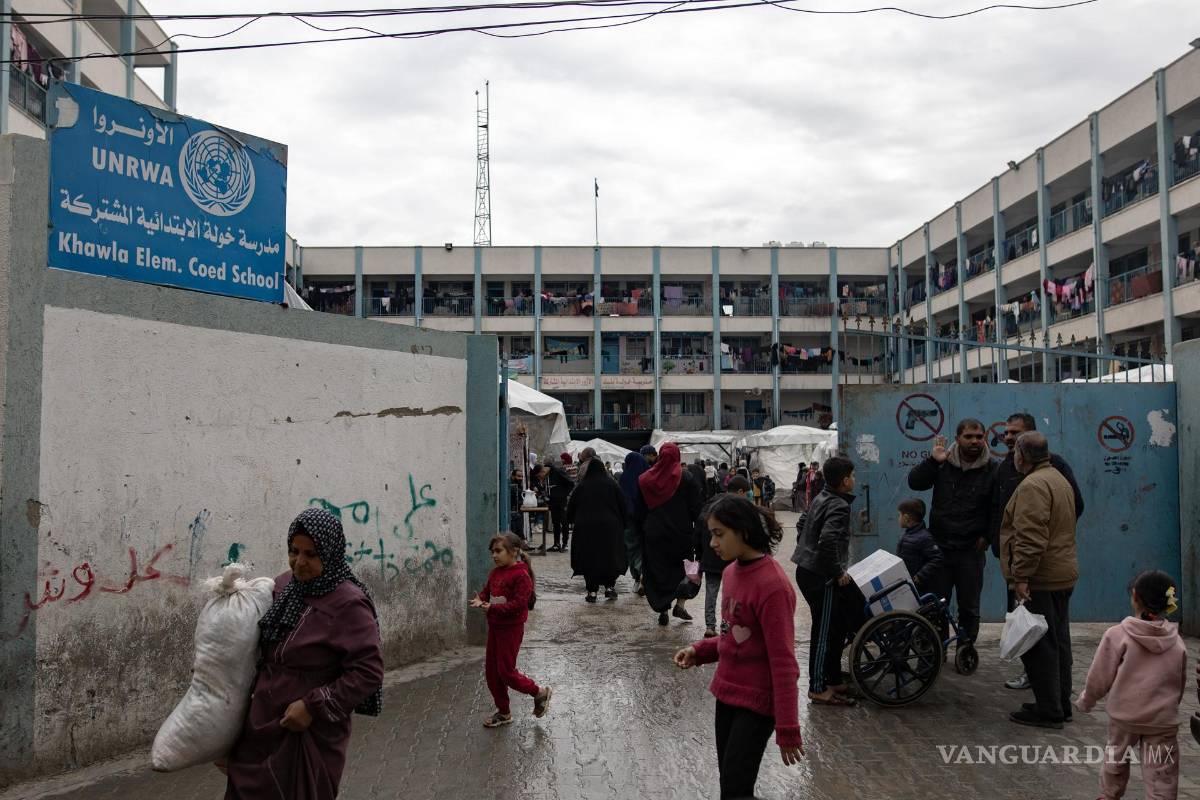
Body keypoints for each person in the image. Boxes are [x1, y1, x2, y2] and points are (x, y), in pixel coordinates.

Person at [223, 508, 384, 799]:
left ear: (331, 553)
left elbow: (368, 672)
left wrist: (313, 707)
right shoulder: (284, 585)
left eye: (311, 554)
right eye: (294, 551)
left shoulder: (349, 604)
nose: (299, 562)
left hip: (307, 733)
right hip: (260, 723)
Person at [674, 495, 803, 799]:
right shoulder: (731, 572)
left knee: (735, 789)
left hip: (757, 704)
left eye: (719, 534)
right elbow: (733, 635)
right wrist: (701, 651)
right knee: (731, 784)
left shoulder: (773, 586)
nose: (713, 543)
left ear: (742, 531)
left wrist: (788, 727)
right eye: (711, 535)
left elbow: (784, 663)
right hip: (726, 695)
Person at [991, 412, 1086, 691]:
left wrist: (1023, 573)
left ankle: (1051, 701)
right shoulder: (1009, 468)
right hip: (1035, 565)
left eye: (1014, 434)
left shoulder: (1043, 476)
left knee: (1045, 638)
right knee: (1037, 632)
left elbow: (1034, 532)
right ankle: (1056, 694)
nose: (1007, 438)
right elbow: (997, 511)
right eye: (1006, 433)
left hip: (1038, 571)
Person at [1075, 570, 1186, 799]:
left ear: (1134, 596)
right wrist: (1170, 705)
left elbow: (1099, 677)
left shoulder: (1117, 635)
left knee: (1116, 757)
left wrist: (1087, 700)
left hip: (1126, 716)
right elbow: (1180, 681)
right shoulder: (1177, 642)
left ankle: (1109, 795)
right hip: (1162, 721)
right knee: (1162, 770)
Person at [999, 431, 1077, 729]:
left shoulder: (1033, 485)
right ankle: (1059, 703)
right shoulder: (1057, 478)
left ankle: (1049, 709)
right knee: (1058, 643)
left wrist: (1021, 577)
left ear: (1023, 456)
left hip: (1041, 578)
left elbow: (1031, 537)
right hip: (1060, 573)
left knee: (1040, 647)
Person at [907, 419, 995, 649]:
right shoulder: (942, 464)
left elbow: (999, 508)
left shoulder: (993, 469)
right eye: (969, 436)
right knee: (936, 604)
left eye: (979, 436)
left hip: (971, 551)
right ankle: (935, 650)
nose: (975, 441)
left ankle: (965, 648)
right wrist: (932, 461)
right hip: (940, 549)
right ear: (958, 439)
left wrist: (988, 536)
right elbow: (914, 482)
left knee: (969, 606)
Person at [791, 456, 859, 707]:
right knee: (822, 631)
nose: (854, 480)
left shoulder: (821, 496)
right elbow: (828, 541)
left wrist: (806, 548)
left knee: (836, 626)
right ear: (845, 481)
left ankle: (832, 678)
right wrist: (837, 572)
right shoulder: (839, 505)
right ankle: (818, 688)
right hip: (822, 576)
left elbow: (801, 522)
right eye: (852, 476)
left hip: (807, 569)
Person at [471, 532, 553, 728]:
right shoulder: (495, 572)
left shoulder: (521, 575)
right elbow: (487, 591)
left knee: (506, 672)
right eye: (492, 552)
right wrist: (481, 599)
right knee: (492, 673)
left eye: (499, 551)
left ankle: (539, 692)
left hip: (511, 629)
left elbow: (519, 605)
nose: (494, 555)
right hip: (495, 627)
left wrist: (492, 607)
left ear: (514, 552)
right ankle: (504, 712)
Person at [634, 442, 704, 626]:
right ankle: (680, 603)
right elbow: (696, 507)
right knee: (690, 568)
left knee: (658, 572)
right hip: (681, 535)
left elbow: (639, 510)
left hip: (654, 534)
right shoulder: (687, 478)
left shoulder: (644, 479)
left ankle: (662, 608)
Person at [695, 475, 751, 637]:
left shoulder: (711, 503)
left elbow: (698, 529)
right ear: (740, 492)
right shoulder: (737, 508)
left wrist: (700, 554)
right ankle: (727, 626)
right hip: (731, 559)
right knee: (731, 594)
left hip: (710, 557)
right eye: (746, 493)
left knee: (711, 592)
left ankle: (710, 626)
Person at [567, 459, 629, 602]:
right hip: (610, 528)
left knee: (590, 558)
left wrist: (571, 520)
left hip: (586, 528)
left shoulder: (582, 486)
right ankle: (609, 587)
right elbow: (623, 505)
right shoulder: (612, 485)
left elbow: (571, 507)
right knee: (609, 557)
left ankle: (592, 591)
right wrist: (624, 524)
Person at [896, 498, 945, 599]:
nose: (898, 518)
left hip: (919, 588)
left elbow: (937, 558)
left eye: (899, 515)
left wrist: (920, 576)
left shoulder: (924, 537)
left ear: (906, 518)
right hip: (907, 584)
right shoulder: (909, 534)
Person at [540, 461, 575, 552]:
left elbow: (571, 483)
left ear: (548, 468)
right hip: (553, 502)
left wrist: (564, 494)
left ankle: (565, 543)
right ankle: (556, 544)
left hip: (561, 501)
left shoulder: (558, 472)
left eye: (544, 470)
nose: (543, 472)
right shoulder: (548, 476)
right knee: (555, 523)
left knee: (564, 522)